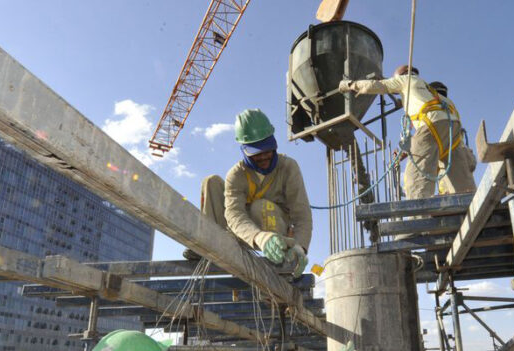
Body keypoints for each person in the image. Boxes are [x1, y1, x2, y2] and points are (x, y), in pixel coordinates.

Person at [184, 109, 311, 279]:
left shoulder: (288, 167)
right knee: (211, 182)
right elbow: (234, 213)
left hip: (277, 235)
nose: (264, 156)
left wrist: (300, 247)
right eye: (257, 153)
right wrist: (258, 236)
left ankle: (278, 259)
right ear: (244, 149)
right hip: (245, 232)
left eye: (268, 150)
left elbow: (301, 213)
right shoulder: (236, 175)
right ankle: (208, 245)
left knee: (261, 206)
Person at [339, 65, 476, 200]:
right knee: (461, 180)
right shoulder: (432, 93)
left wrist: (350, 85)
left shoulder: (406, 80)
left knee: (415, 180)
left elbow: (377, 85)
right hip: (453, 130)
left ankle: (419, 216)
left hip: (431, 125)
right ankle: (471, 206)